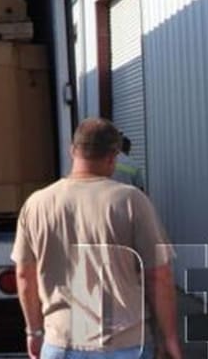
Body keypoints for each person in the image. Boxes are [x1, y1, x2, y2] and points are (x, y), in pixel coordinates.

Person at [12, 118, 181, 359]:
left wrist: (34, 332)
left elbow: (24, 275)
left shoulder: (37, 204)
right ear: (113, 157)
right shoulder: (131, 201)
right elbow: (159, 275)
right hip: (124, 345)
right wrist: (169, 338)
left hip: (61, 343)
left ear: (73, 151)